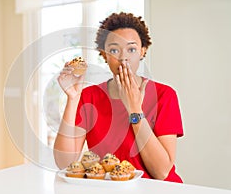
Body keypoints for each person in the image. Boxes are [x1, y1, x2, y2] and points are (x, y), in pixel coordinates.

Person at [53, 12, 183, 183]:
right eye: (114, 50)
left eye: (132, 49)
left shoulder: (164, 95)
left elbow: (162, 172)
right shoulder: (89, 96)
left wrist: (134, 109)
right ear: (104, 54)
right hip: (110, 191)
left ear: (142, 51)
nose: (123, 57)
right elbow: (65, 163)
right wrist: (72, 98)